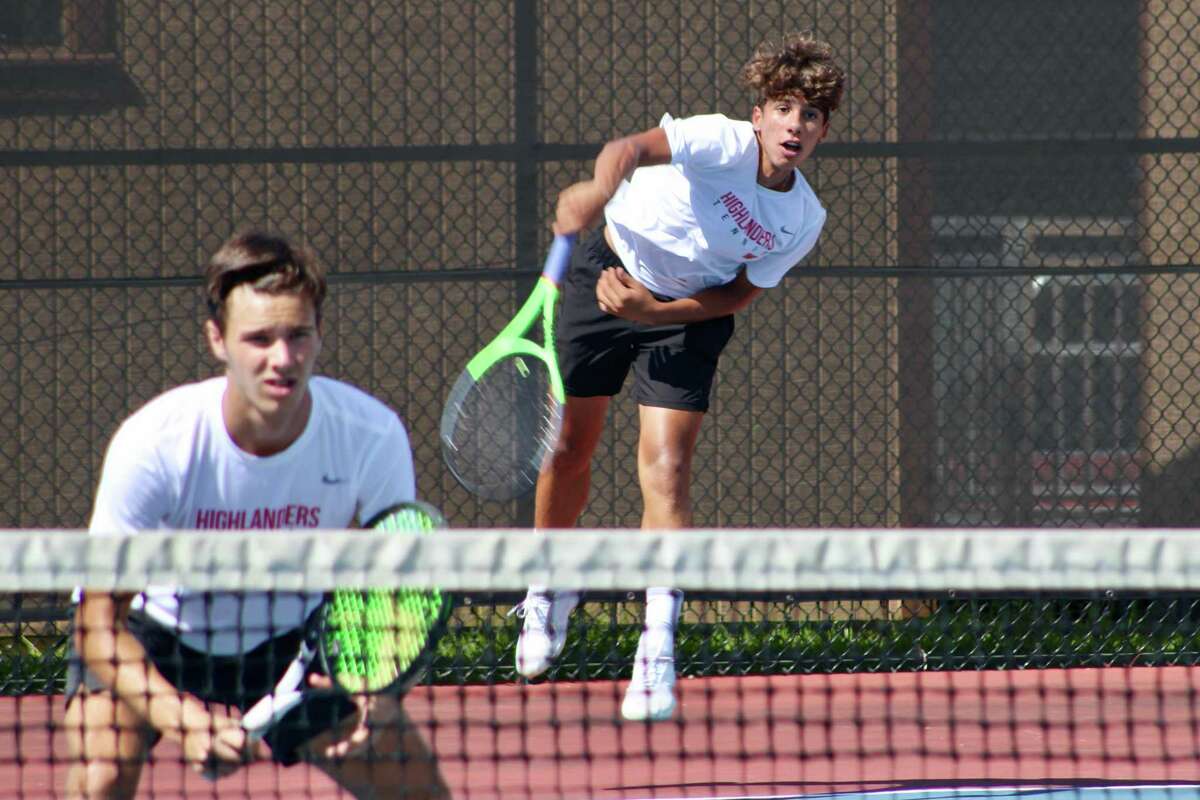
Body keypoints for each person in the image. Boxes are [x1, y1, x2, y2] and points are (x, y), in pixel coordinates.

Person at [512, 32, 846, 722]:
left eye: (810, 115)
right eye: (785, 108)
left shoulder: (802, 218)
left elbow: (736, 298)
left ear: (822, 131)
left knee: (667, 467)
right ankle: (547, 587)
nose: (796, 125)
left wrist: (656, 309)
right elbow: (629, 151)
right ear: (759, 115)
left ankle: (656, 646)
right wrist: (596, 191)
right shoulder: (718, 142)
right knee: (571, 447)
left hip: (687, 315)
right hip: (604, 273)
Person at [63, 231, 449, 799]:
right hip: (157, 637)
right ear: (217, 339)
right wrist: (184, 721)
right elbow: (97, 624)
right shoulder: (156, 444)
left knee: (419, 793)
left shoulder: (370, 436)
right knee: (100, 778)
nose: (282, 358)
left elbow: (395, 594)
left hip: (297, 642)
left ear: (320, 334)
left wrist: (379, 690)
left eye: (298, 335)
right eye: (259, 338)